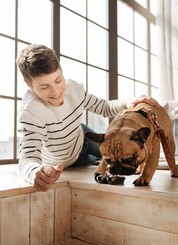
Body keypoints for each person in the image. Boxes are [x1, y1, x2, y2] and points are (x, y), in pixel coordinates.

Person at [16, 44, 161, 192]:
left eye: (58, 80)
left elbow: (104, 107)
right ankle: (94, 161)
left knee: (122, 153)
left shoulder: (74, 88)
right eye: (44, 87)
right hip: (63, 159)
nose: (56, 91)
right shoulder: (30, 112)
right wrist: (34, 172)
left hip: (81, 137)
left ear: (61, 71)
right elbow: (27, 157)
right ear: (29, 85)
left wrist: (127, 102)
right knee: (102, 163)